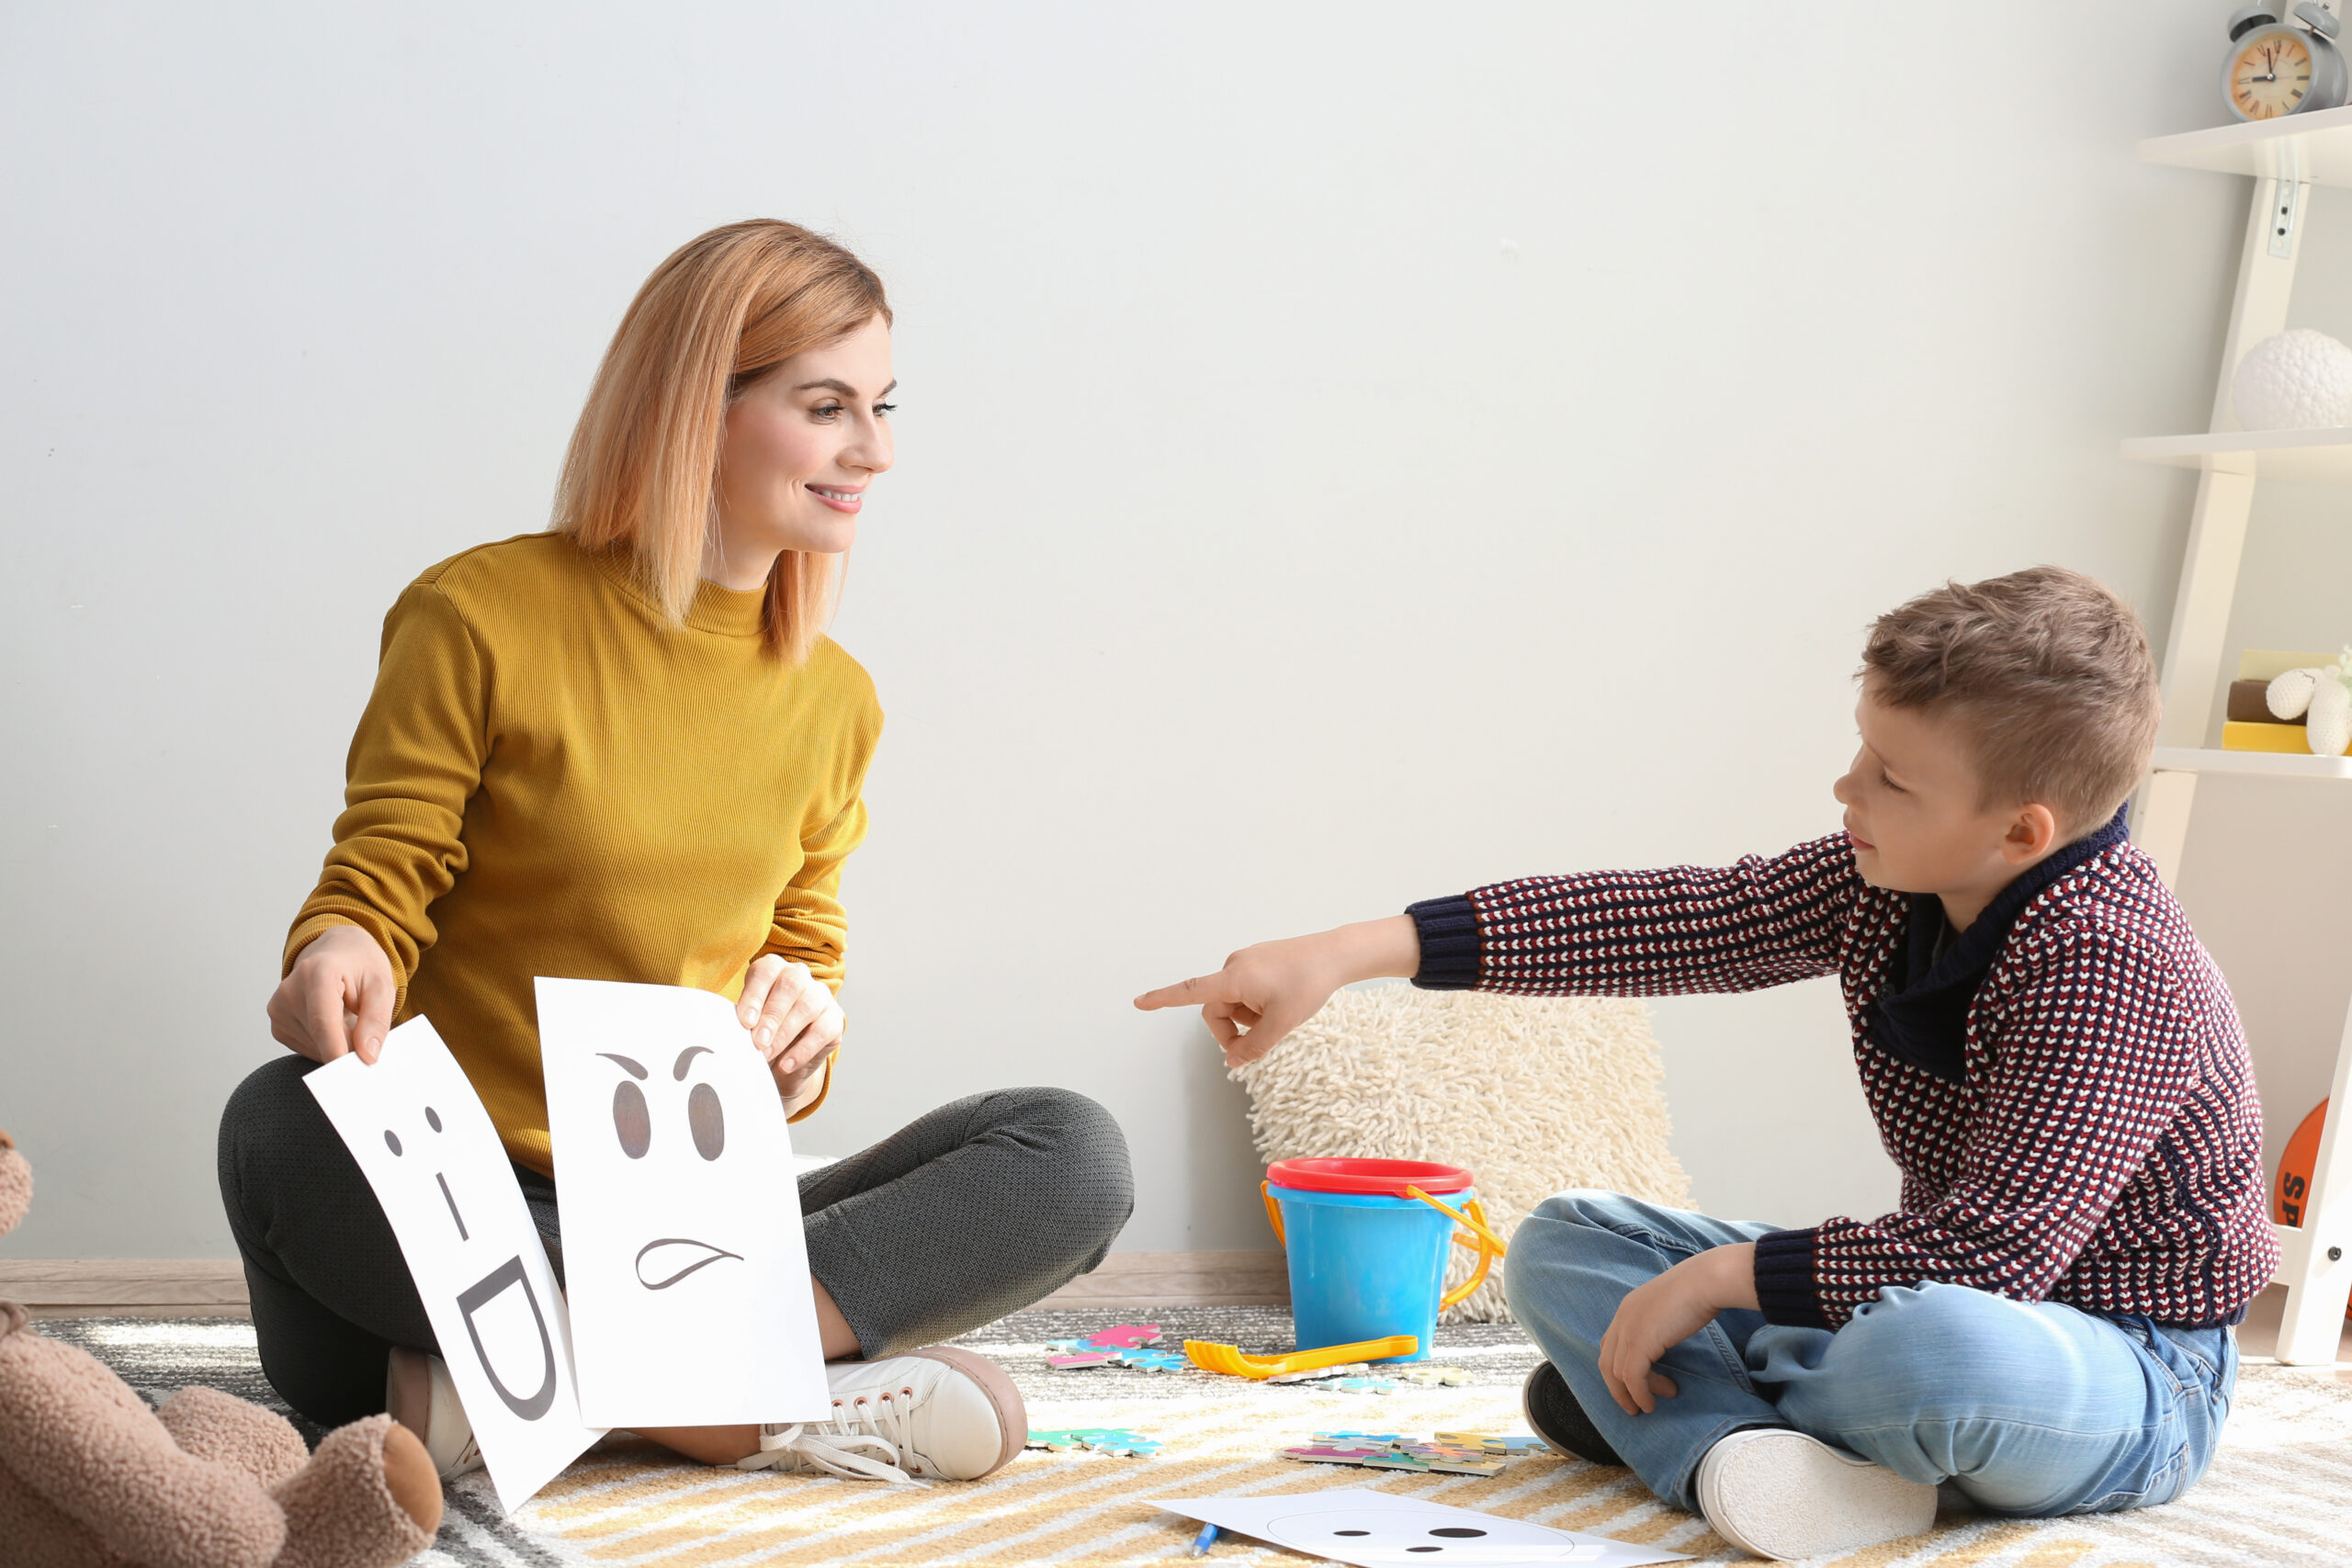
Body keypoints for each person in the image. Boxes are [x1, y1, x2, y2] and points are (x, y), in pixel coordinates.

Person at [219, 220, 1134, 1486]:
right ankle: (734, 1398)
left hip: (680, 1224)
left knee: (1069, 1148)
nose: (874, 449)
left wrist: (804, 1015)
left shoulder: (835, 699)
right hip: (453, 1220)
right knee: (277, 1121)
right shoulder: (478, 613)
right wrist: (341, 944)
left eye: (879, 405)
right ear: (699, 408)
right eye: (827, 406)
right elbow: (385, 869)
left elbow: (796, 950)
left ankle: (588, 1395)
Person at [1137, 568, 2270, 1562]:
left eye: (1891, 777)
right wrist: (1350, 953)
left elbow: (1993, 1253)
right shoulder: (1887, 885)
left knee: (1927, 1349)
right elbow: (1670, 920)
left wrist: (1718, 1284)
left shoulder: (2112, 960)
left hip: (2125, 1369)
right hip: (1933, 1294)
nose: (1845, 791)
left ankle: (1697, 1413)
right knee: (1564, 1240)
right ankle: (1747, 1453)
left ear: (2021, 831)